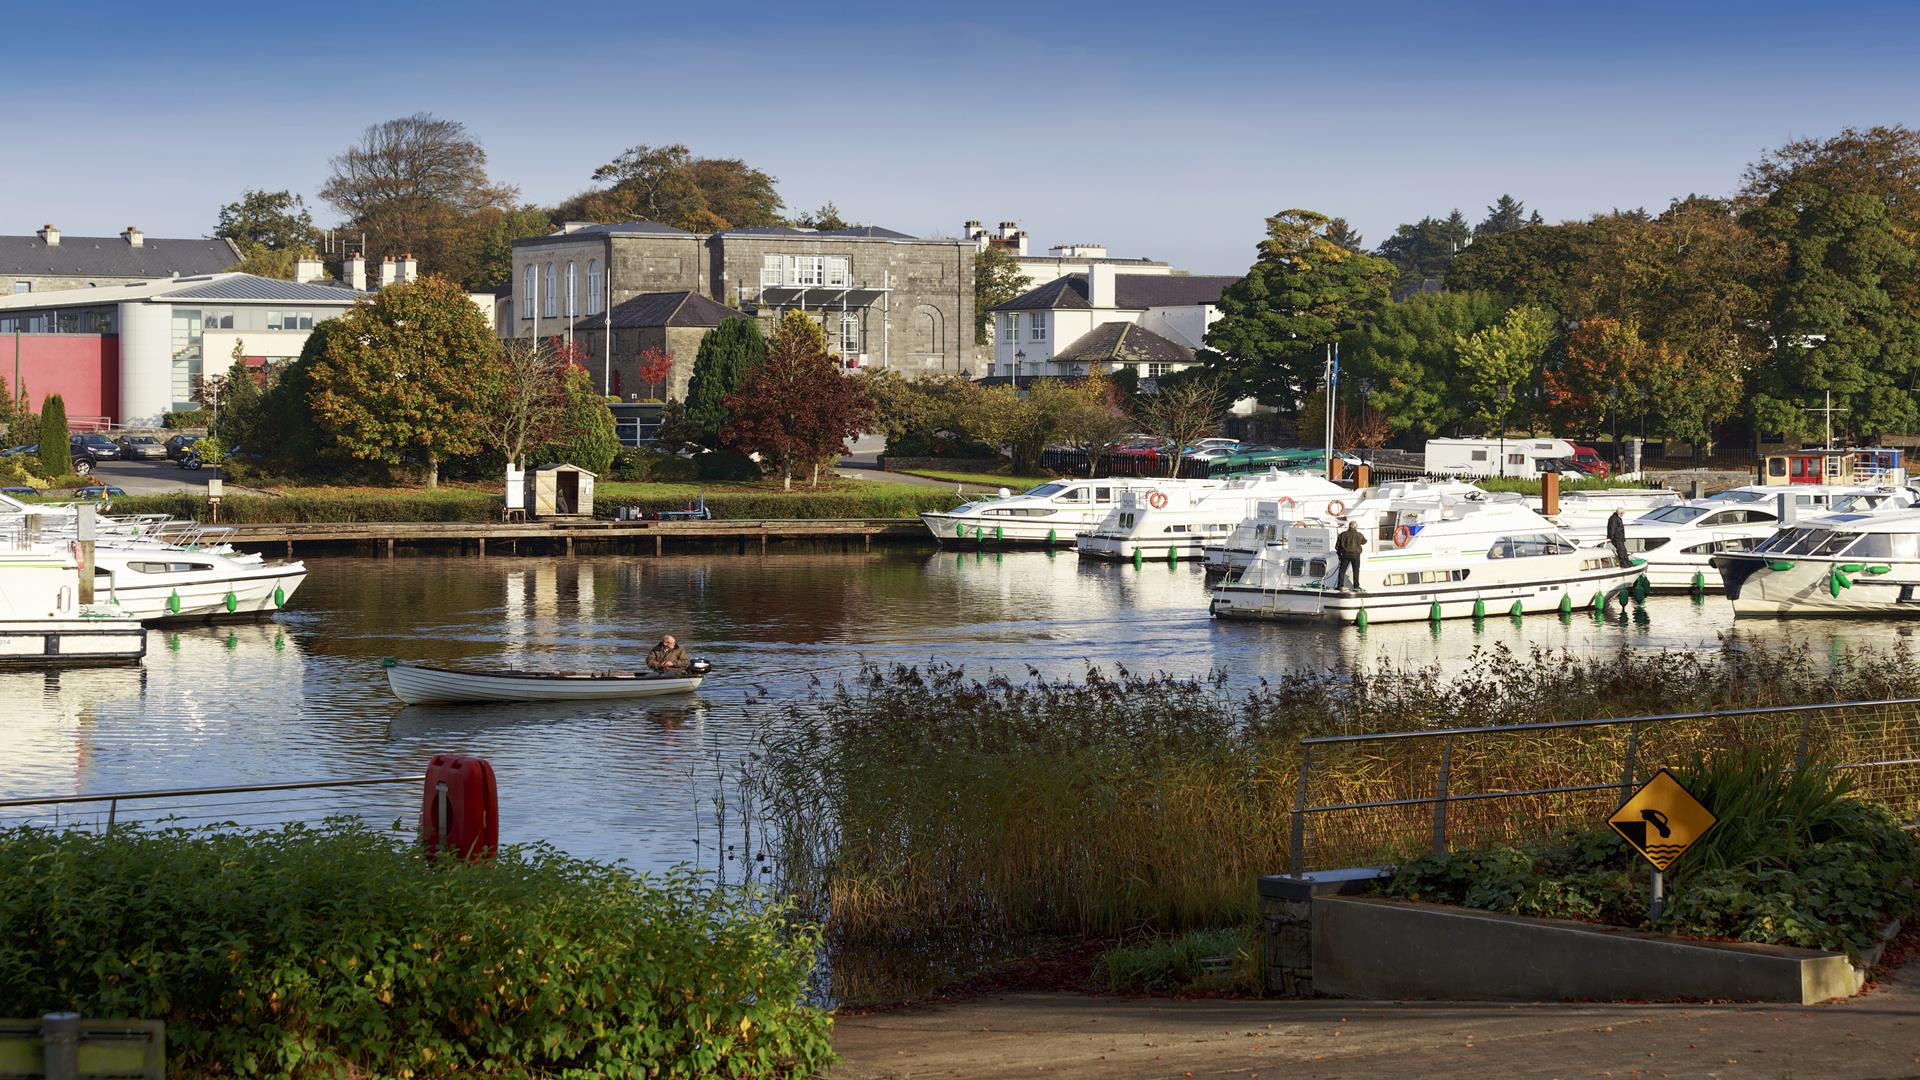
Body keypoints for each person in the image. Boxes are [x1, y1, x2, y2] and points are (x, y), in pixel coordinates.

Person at [1335, 520, 1367, 591]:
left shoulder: (1342, 534)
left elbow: (1337, 546)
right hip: (1356, 555)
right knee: (1356, 571)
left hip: (1345, 555)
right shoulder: (1359, 535)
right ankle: (1356, 586)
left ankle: (1340, 586)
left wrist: (1339, 555)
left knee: (1342, 571)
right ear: (1355, 527)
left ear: (1349, 526)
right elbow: (1364, 541)